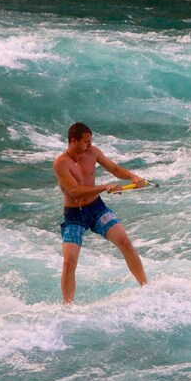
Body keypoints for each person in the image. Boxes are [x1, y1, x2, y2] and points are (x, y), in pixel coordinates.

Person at [54, 122, 148, 304]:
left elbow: (114, 169)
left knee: (125, 242)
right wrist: (105, 187)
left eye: (90, 141)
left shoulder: (93, 152)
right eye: (86, 141)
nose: (89, 145)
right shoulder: (61, 163)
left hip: (97, 209)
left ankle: (146, 288)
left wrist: (133, 177)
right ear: (73, 141)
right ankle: (67, 307)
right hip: (75, 215)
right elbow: (75, 192)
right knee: (69, 261)